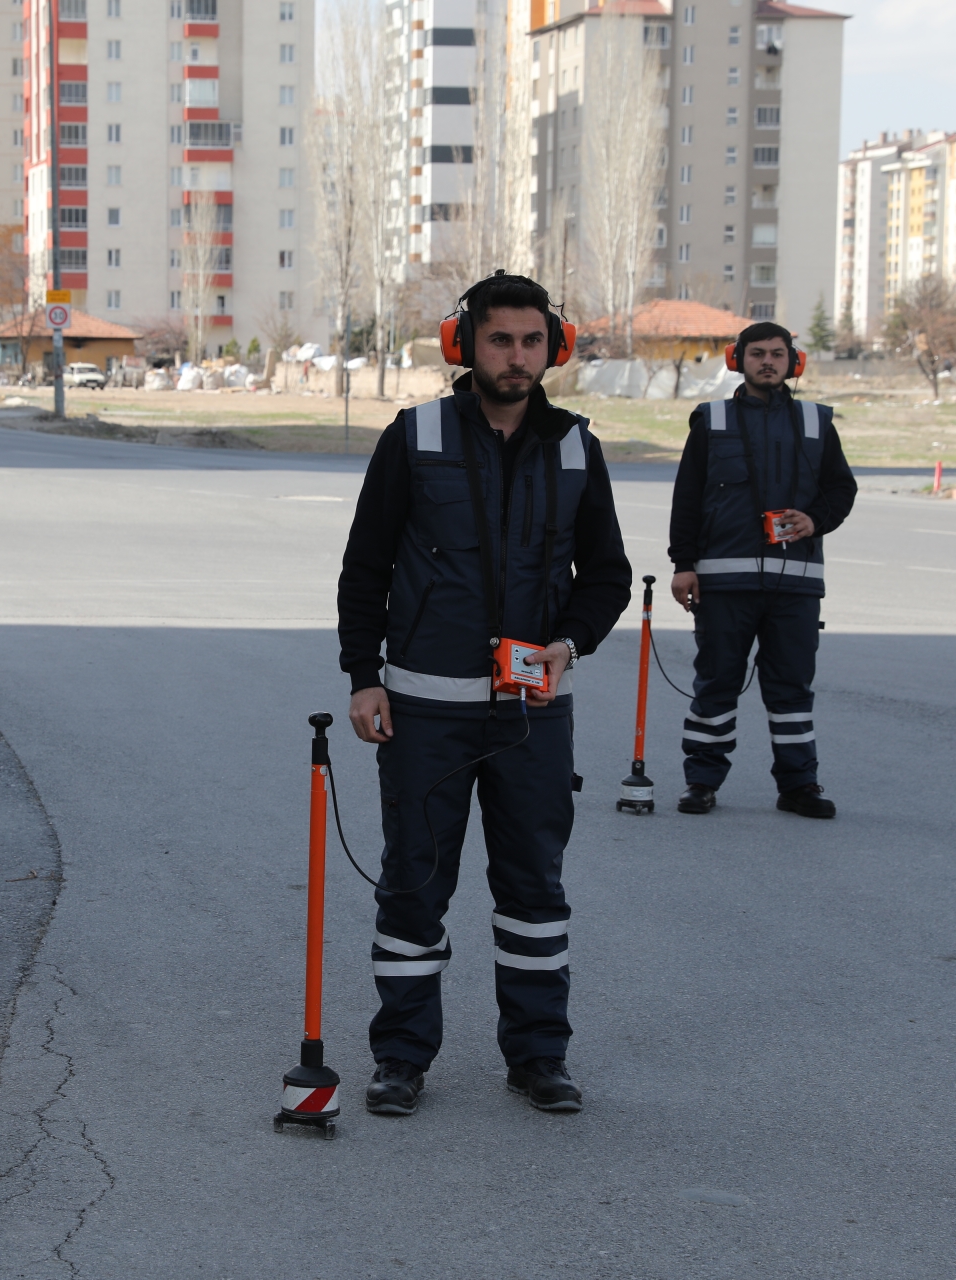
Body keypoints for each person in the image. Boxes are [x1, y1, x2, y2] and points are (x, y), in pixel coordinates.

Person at [337, 271, 631, 1117]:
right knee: (414, 885)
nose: (517, 356)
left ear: (554, 347)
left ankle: (539, 1057)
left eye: (533, 341)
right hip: (425, 707)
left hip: (532, 715)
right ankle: (400, 1058)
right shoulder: (415, 435)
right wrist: (364, 676)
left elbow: (606, 574)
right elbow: (366, 566)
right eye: (500, 339)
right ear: (465, 344)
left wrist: (569, 644)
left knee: (534, 890)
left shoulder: (575, 446)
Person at [667, 321, 857, 818]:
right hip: (723, 583)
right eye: (757, 353)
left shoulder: (817, 421)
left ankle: (799, 786)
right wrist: (683, 565)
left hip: (796, 586)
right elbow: (687, 498)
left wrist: (815, 519)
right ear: (738, 360)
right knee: (717, 684)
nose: (767, 361)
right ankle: (701, 783)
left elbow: (842, 489)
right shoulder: (712, 420)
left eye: (777, 353)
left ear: (794, 361)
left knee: (791, 689)